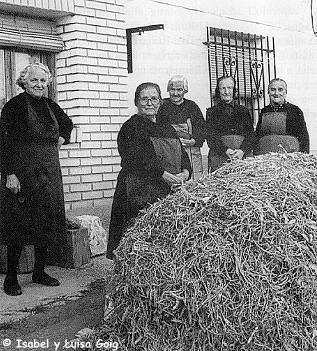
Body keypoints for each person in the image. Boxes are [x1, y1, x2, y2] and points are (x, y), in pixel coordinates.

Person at [0, 62, 73, 296]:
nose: (39, 85)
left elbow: (67, 125)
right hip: (22, 174)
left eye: (43, 81)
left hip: (49, 173)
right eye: (34, 80)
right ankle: (11, 278)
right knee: (18, 225)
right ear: (24, 81)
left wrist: (62, 138)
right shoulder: (13, 106)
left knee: (46, 222)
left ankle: (39, 272)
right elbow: (3, 142)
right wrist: (9, 173)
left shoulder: (51, 105)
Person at [106, 82, 192, 260]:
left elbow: (182, 154)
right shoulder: (130, 127)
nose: (149, 103)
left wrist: (185, 172)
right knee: (136, 242)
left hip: (167, 190)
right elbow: (135, 159)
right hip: (137, 192)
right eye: (144, 99)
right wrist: (163, 175)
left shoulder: (167, 127)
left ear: (160, 102)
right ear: (136, 102)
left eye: (154, 98)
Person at [157, 75, 205, 180]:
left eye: (179, 90)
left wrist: (194, 141)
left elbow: (202, 129)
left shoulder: (192, 106)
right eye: (172, 89)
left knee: (194, 183)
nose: (175, 93)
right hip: (170, 153)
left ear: (185, 91)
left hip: (191, 152)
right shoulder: (162, 107)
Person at [206, 75, 256, 172]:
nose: (226, 92)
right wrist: (226, 151)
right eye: (223, 88)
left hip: (242, 157)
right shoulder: (212, 112)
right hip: (220, 157)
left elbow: (250, 135)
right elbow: (211, 137)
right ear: (218, 91)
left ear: (234, 90)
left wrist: (242, 151)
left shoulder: (244, 111)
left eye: (229, 88)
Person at [255, 78, 309, 155]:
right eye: (273, 89)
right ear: (268, 92)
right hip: (266, 158)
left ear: (285, 92)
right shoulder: (264, 111)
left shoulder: (295, 111)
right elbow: (258, 136)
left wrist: (304, 158)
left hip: (288, 158)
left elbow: (304, 138)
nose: (276, 93)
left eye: (280, 89)